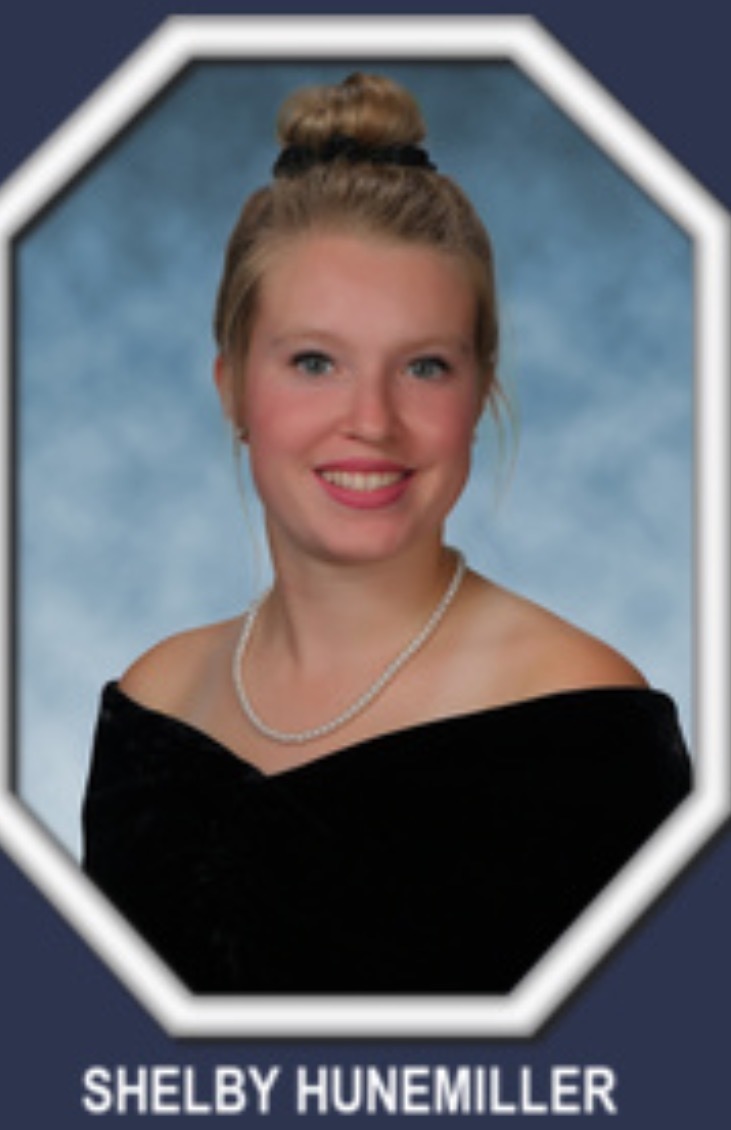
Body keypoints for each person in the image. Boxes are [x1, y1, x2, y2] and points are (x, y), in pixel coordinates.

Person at [82, 73, 691, 994]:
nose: (371, 420)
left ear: (478, 394)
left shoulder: (587, 725)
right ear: (232, 388)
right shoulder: (152, 707)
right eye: (314, 361)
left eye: (424, 367)